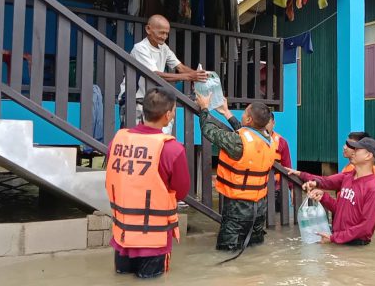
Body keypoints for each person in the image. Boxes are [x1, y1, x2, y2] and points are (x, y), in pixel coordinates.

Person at [105, 87, 191, 278]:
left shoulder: (117, 140)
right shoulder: (172, 149)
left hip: (123, 234)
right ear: (168, 115)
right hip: (154, 239)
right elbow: (182, 191)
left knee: (121, 277)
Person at [196, 94, 277, 253]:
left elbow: (209, 130)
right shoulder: (269, 141)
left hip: (238, 209)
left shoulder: (238, 141)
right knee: (254, 249)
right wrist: (226, 112)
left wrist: (204, 108)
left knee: (227, 251)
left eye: (245, 112)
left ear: (248, 120)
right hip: (260, 208)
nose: (243, 114)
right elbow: (247, 134)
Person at [290, 137, 375, 245]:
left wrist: (333, 238)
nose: (353, 152)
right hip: (338, 239)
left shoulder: (374, 189)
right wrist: (324, 197)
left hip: (353, 246)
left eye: (357, 150)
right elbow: (340, 209)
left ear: (368, 155)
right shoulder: (348, 177)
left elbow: (365, 228)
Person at [119, 14, 207, 130]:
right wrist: (189, 76)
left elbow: (180, 67)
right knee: (138, 138)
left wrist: (198, 75)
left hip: (151, 101)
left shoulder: (163, 47)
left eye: (166, 33)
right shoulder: (140, 48)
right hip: (134, 100)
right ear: (148, 29)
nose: (164, 37)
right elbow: (155, 75)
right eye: (161, 33)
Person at [264, 112, 292, 212]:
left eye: (267, 122)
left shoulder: (281, 142)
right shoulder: (252, 139)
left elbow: (287, 167)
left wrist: (292, 189)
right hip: (257, 187)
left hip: (277, 189)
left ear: (273, 123)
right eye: (261, 121)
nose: (264, 125)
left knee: (277, 221)